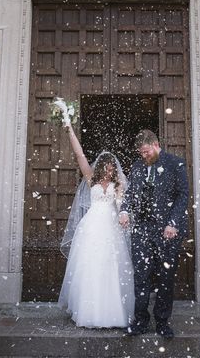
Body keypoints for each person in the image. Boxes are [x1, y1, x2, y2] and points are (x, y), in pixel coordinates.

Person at [58, 121, 134, 328]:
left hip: (110, 228)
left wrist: (123, 215)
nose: (110, 172)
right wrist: (70, 130)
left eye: (112, 169)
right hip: (91, 227)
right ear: (101, 167)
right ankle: (88, 311)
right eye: (108, 169)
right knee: (89, 265)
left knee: (109, 266)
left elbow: (121, 206)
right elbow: (80, 155)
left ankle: (111, 313)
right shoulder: (91, 178)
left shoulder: (118, 184)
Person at [119, 129, 189, 339]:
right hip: (141, 230)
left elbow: (183, 195)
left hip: (167, 231)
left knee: (165, 278)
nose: (144, 156)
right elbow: (130, 193)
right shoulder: (138, 166)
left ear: (156, 145)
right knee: (140, 277)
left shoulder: (175, 164)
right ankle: (140, 322)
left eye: (147, 151)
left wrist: (173, 222)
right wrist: (124, 210)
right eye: (141, 153)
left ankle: (162, 323)